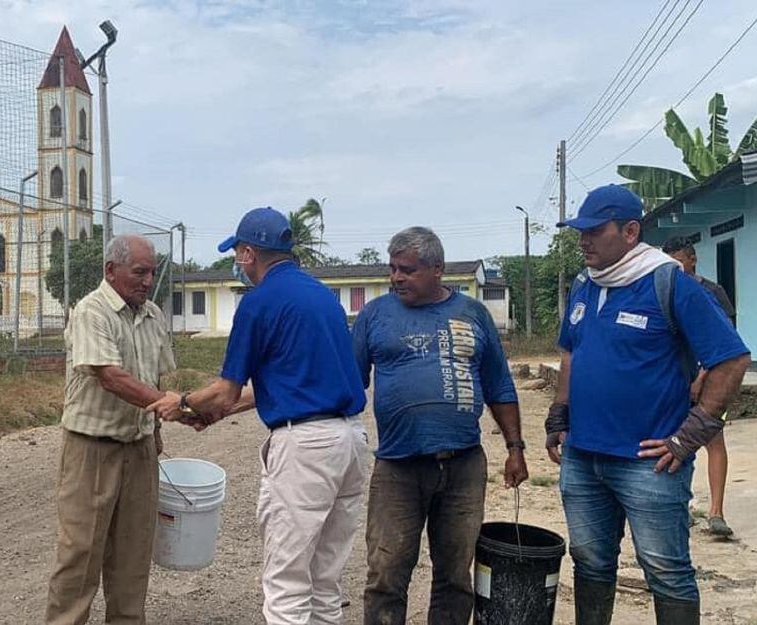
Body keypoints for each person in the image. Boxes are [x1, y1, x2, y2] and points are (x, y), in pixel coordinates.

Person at [149, 207, 369, 625]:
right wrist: (215, 412)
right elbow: (284, 386)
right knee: (325, 580)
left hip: (304, 448)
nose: (238, 263)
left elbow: (226, 389)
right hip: (349, 441)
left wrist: (183, 405)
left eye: (238, 254)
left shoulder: (259, 302)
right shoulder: (323, 297)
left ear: (249, 253)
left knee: (286, 583)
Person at [547, 185, 750, 625]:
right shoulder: (585, 286)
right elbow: (570, 353)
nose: (584, 240)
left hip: (650, 463)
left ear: (630, 231)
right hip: (582, 457)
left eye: (595, 231)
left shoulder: (669, 283)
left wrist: (691, 433)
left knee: (665, 571)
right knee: (590, 562)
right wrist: (558, 414)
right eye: (580, 231)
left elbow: (732, 358)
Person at [351, 227, 527, 625]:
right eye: (393, 269)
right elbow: (349, 381)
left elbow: (499, 384)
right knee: (386, 572)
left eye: (408, 270)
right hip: (398, 467)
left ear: (437, 270)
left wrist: (515, 448)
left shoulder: (473, 313)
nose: (397, 278)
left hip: (464, 466)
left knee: (455, 575)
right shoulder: (375, 315)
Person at [45, 235, 176, 625]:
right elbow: (110, 377)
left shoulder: (152, 315)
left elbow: (156, 377)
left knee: (133, 556)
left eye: (152, 272)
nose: (148, 280)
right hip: (92, 450)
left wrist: (156, 430)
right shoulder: (92, 311)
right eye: (139, 272)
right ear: (111, 270)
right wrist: (173, 406)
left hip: (139, 449)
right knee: (79, 556)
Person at [662, 236, 737, 538]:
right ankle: (682, 506)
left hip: (708, 382)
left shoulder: (712, 292)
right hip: (675, 382)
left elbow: (726, 345)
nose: (675, 267)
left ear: (692, 259)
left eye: (679, 260)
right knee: (675, 442)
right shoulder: (663, 292)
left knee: (713, 441)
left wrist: (702, 378)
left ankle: (716, 513)